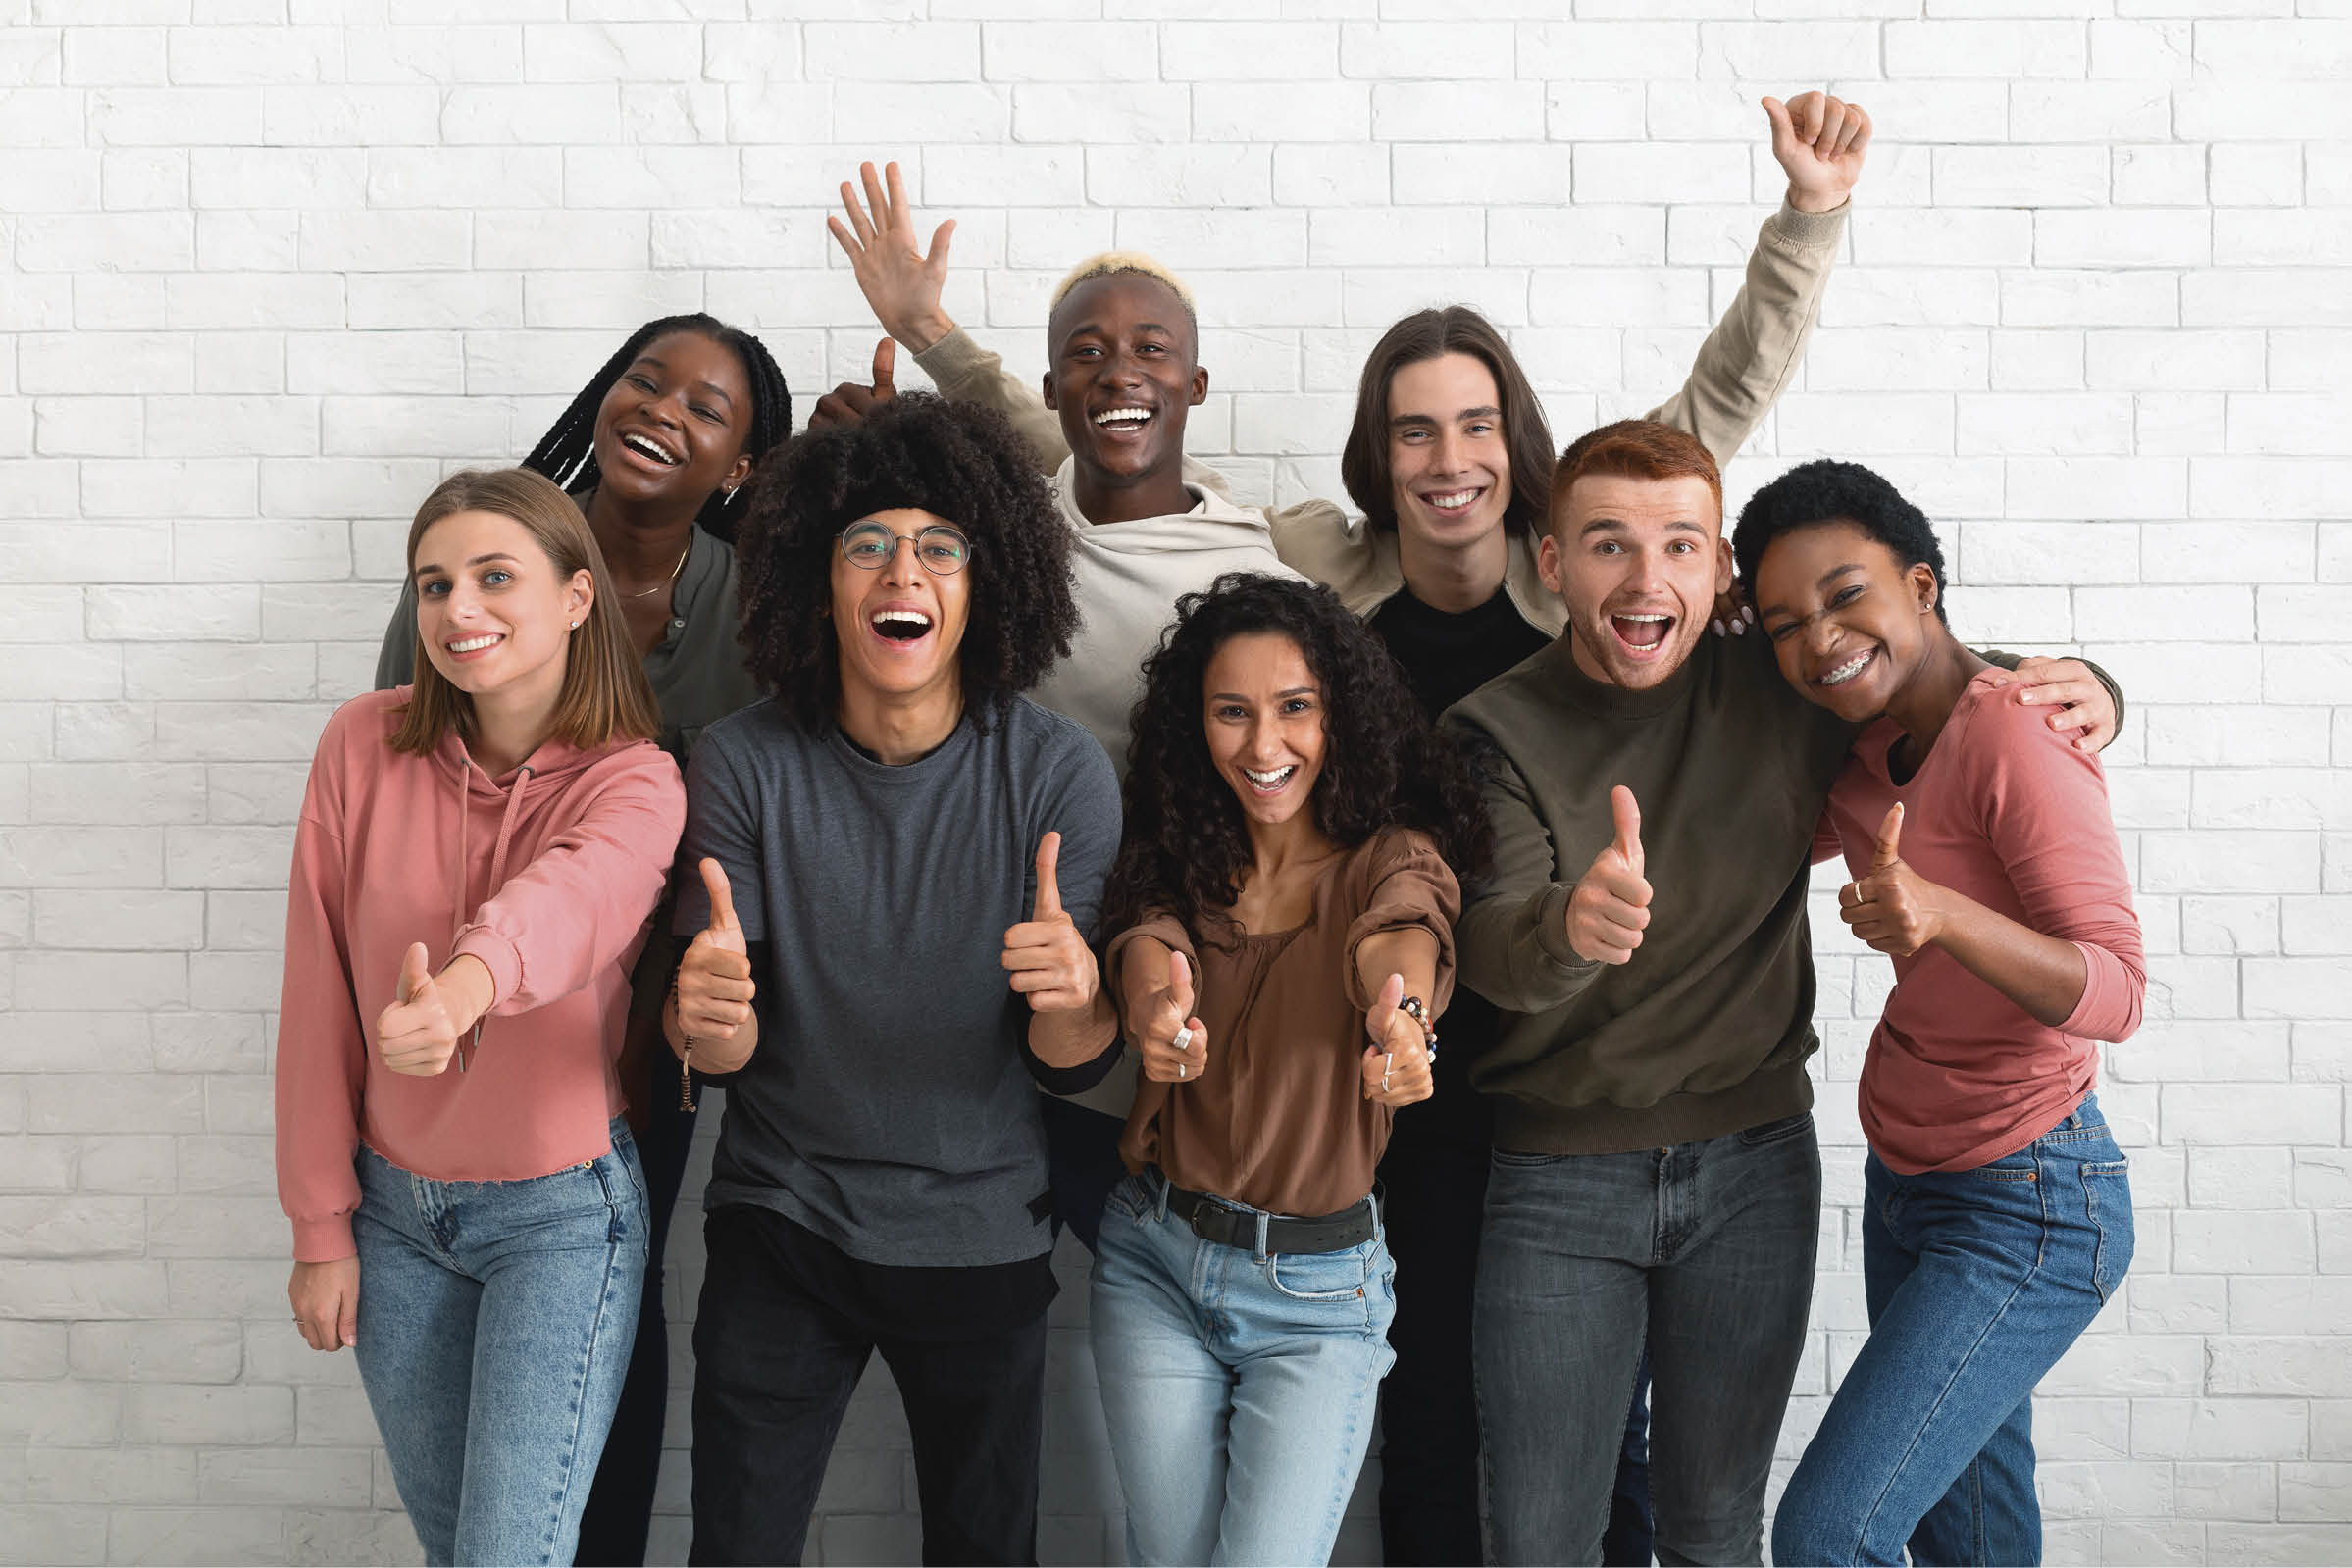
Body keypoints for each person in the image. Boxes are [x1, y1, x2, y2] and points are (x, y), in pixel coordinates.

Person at [1444, 420, 2124, 1567]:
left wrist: (2095, 683)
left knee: (1721, 1532)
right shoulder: (1490, 730)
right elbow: (1495, 945)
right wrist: (1571, 924)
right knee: (1539, 1536)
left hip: (1754, 1164)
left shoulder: (1785, 683)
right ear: (1554, 564)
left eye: (1677, 546)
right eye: (1607, 545)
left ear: (1716, 573)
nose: (1645, 577)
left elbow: (1927, 675)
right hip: (1558, 1178)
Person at [668, 393, 1122, 1566]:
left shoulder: (1057, 775)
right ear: (816, 581)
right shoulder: (738, 764)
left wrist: (1074, 1001)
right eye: (864, 543)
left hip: (981, 1230)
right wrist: (700, 1020)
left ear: (986, 583)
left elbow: (1069, 1067)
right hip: (784, 1220)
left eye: (937, 545)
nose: (898, 571)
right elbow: (722, 1053)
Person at [370, 313, 792, 1567]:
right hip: (456, 1004)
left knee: (615, 1307)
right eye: (644, 379)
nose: (663, 409)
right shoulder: (486, 559)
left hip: (643, 1019)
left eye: (707, 408)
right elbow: (400, 778)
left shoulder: (747, 605)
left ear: (740, 465)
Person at [1733, 461, 2143, 1567]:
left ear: (1921, 583)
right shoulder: (1858, 747)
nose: (1818, 637)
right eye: (1781, 622)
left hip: (2030, 1203)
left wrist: (1944, 916)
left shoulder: (2018, 731)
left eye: (1844, 593)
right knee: (1969, 1539)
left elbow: (2115, 990)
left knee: (1827, 1534)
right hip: (1908, 1186)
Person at [278, 468, 688, 1566]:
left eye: (494, 577)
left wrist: (462, 990)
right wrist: (322, 1226)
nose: (458, 610)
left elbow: (571, 901)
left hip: (559, 1220)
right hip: (392, 1217)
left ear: (575, 597)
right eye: (434, 584)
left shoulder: (637, 781)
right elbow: (315, 992)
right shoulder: (361, 744)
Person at [1094, 573, 1482, 1566]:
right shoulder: (1184, 851)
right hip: (1156, 1260)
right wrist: (1153, 1007)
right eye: (1232, 713)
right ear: (1197, 727)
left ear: (1340, 716)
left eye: (1294, 709)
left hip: (1316, 1298)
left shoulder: (1388, 858)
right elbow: (1150, 938)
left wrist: (1400, 1023)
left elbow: (1401, 939)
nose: (1264, 748)